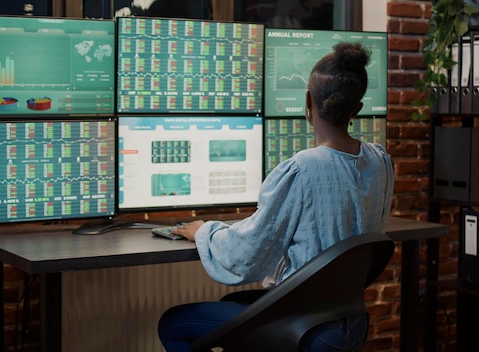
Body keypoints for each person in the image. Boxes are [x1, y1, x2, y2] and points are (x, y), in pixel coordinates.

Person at [157, 41, 394, 352]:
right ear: (357, 109)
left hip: (305, 328)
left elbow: (247, 257)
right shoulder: (381, 161)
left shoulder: (301, 169)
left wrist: (204, 231)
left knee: (172, 324)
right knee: (233, 304)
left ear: (308, 102)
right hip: (351, 323)